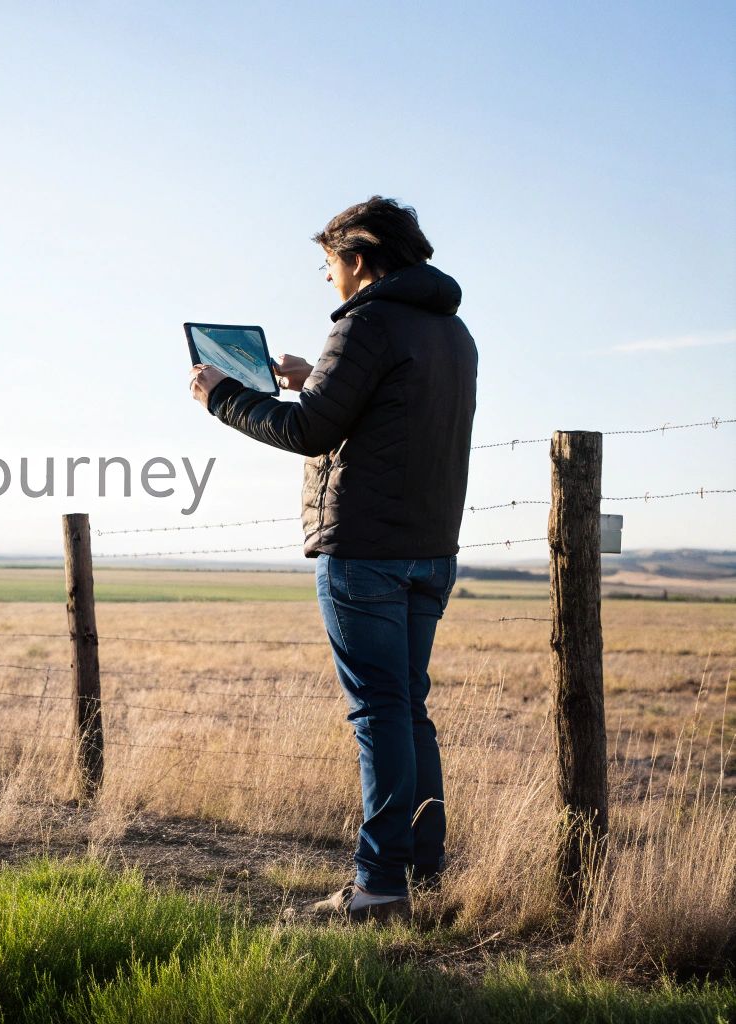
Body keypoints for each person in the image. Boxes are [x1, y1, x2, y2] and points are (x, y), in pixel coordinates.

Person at [187, 196, 478, 924]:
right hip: (430, 550)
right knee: (408, 710)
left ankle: (378, 887)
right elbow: (379, 409)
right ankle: (422, 872)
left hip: (365, 553)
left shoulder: (366, 324)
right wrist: (311, 376)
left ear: (359, 258)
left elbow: (310, 431)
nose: (327, 279)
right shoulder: (453, 331)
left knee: (379, 715)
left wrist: (224, 397)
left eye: (328, 264)